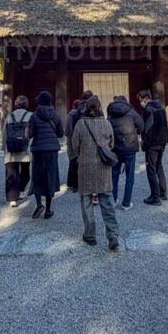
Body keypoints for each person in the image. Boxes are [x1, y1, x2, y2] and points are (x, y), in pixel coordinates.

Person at [69, 96, 120, 249]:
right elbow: (111, 144)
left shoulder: (80, 124)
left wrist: (83, 153)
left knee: (86, 201)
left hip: (85, 165)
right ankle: (112, 235)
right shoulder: (106, 123)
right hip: (103, 166)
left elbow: (75, 145)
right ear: (99, 107)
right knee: (107, 200)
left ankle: (90, 235)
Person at [25, 91, 64, 219]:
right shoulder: (56, 115)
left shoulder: (34, 116)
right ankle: (48, 209)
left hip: (38, 149)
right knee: (50, 177)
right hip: (52, 150)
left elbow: (29, 134)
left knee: (37, 177)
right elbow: (60, 133)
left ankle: (38, 204)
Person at [107, 95, 144, 210]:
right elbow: (141, 126)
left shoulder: (111, 113)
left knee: (114, 174)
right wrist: (134, 132)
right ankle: (126, 203)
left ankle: (113, 200)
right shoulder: (131, 112)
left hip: (115, 148)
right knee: (129, 176)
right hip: (130, 147)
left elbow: (107, 129)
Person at [138, 89, 168, 205]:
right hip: (162, 141)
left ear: (146, 98)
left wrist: (145, 144)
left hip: (153, 143)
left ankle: (155, 196)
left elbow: (148, 128)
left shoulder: (149, 109)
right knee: (159, 166)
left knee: (151, 168)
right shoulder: (161, 108)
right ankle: (163, 191)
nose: (141, 103)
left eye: (141, 100)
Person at [0, 95, 32, 207]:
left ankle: (12, 198)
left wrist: (4, 147)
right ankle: (22, 189)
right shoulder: (30, 116)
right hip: (25, 149)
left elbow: (4, 133)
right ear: (26, 104)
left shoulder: (10, 116)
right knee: (25, 172)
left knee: (11, 173)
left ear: (16, 104)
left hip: (11, 147)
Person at [66, 91, 93, 193]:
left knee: (75, 161)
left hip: (75, 137)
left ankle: (75, 184)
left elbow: (68, 130)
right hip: (88, 138)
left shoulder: (75, 112)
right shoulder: (92, 108)